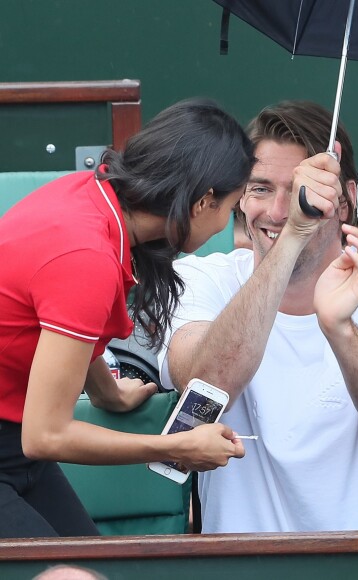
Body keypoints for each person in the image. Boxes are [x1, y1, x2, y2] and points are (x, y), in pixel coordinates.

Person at [158, 100, 358, 533]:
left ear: (346, 201)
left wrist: (339, 326)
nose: (278, 211)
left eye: (298, 191)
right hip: (237, 565)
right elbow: (204, 386)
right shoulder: (199, 277)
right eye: (259, 189)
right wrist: (294, 234)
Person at [0, 98, 252, 539]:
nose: (228, 223)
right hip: (26, 437)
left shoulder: (93, 193)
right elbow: (47, 435)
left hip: (15, 442)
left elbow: (61, 327)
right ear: (203, 201)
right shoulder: (88, 259)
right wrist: (177, 446)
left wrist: (106, 392)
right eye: (231, 208)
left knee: (95, 565)